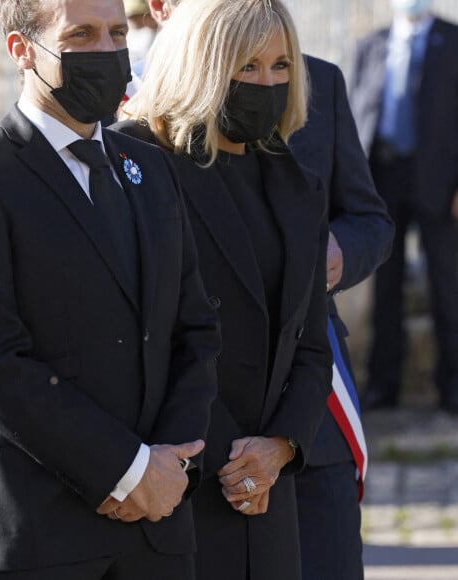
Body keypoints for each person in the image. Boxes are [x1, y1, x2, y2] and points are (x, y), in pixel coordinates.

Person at [0, 0, 221, 578]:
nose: (106, 50)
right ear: (22, 50)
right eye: (81, 34)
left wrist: (167, 468)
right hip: (33, 536)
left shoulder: (149, 170)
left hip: (156, 534)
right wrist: (124, 470)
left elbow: (194, 329)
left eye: (117, 33)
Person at [127, 1, 394, 577]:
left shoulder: (296, 159)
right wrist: (233, 450)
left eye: (280, 68)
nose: (268, 82)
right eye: (248, 67)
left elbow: (368, 221)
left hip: (298, 426)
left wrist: (280, 444)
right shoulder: (131, 153)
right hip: (185, 448)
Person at [289, 56, 394, 580]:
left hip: (316, 400)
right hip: (203, 410)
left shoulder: (317, 80)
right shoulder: (139, 90)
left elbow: (368, 218)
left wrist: (341, 252)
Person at [349, 0, 458, 413]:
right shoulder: (371, 45)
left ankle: (452, 385)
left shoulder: (454, 41)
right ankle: (383, 384)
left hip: (439, 182)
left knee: (447, 286)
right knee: (385, 287)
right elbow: (356, 116)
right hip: (382, 179)